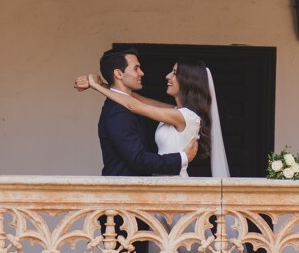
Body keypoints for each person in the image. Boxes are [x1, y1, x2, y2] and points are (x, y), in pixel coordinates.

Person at [76, 57, 229, 178]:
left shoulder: (184, 116)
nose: (167, 76)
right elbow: (135, 98)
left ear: (188, 80)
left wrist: (95, 86)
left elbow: (133, 105)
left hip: (173, 181)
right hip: (160, 180)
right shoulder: (175, 111)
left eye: (174, 73)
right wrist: (102, 84)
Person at [88, 47, 195, 176]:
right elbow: (137, 159)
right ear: (119, 74)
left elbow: (139, 103)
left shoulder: (129, 105)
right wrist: (181, 158)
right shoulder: (117, 112)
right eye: (136, 68)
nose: (142, 73)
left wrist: (99, 85)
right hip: (124, 187)